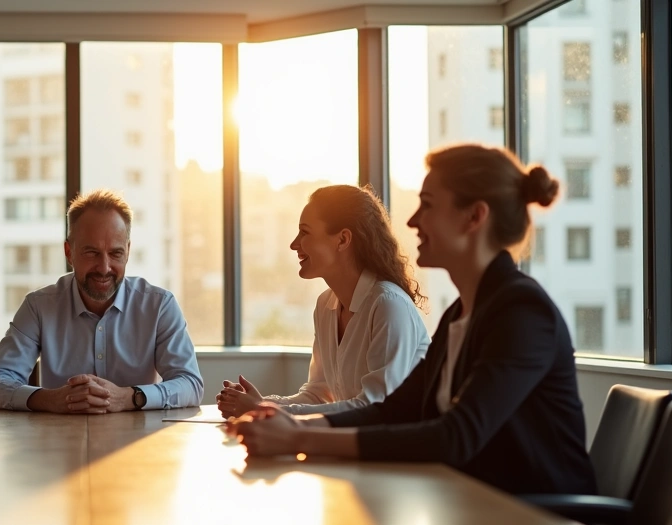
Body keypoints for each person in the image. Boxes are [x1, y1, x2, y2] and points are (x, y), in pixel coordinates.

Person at [230, 144, 597, 496]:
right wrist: (290, 424)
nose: (412, 220)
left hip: (540, 520)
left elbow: (454, 436)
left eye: (428, 205)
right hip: (475, 507)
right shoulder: (460, 313)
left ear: (474, 217)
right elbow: (392, 411)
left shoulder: (523, 311)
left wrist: (298, 437)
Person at [0, 189, 203, 413]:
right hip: (59, 435)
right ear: (69, 252)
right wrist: (51, 399)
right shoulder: (39, 307)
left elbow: (190, 384)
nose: (104, 268)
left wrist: (129, 397)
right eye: (91, 253)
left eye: (115, 253)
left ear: (127, 251)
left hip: (139, 435)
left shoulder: (159, 306)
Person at [216, 185, 429, 419]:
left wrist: (263, 410)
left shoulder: (388, 305)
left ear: (342, 239)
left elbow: (374, 407)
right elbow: (318, 395)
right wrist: (261, 404)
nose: (294, 244)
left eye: (304, 233)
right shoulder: (325, 305)